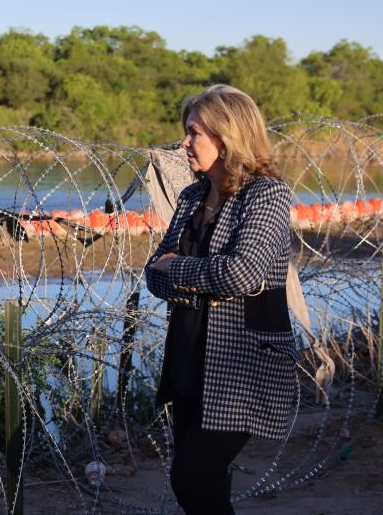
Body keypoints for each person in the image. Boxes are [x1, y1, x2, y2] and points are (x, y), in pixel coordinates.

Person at [145, 84, 297, 515]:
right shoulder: (191, 197)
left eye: (194, 133)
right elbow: (151, 273)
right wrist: (177, 272)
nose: (184, 143)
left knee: (189, 478)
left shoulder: (265, 195)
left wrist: (177, 270)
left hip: (240, 366)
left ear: (226, 137)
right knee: (207, 486)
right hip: (188, 356)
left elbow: (242, 272)